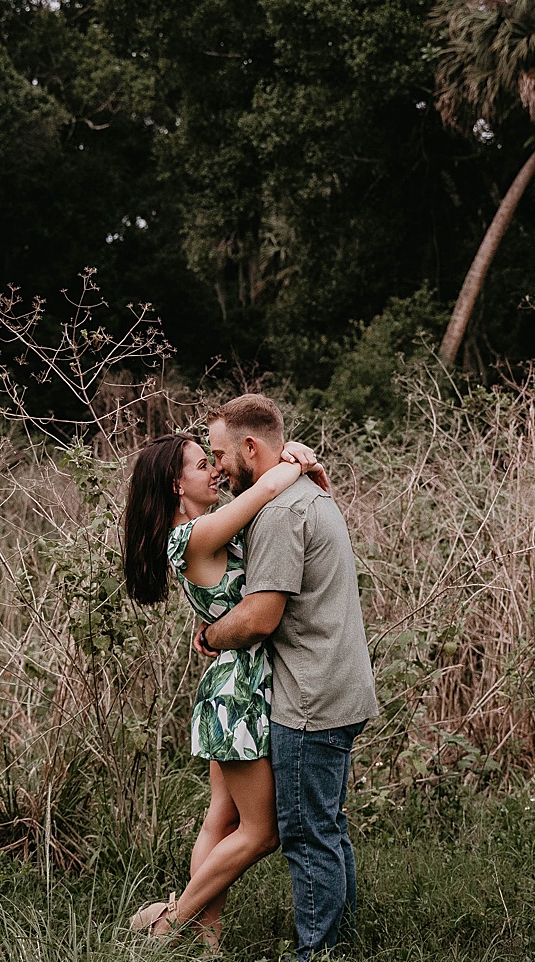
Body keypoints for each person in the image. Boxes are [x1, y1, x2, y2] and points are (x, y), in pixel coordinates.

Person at [121, 429, 327, 947]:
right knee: (262, 833)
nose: (214, 471)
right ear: (175, 484)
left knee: (221, 817)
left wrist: (296, 463)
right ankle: (173, 923)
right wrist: (295, 458)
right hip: (237, 693)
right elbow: (262, 492)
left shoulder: (203, 529)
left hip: (230, 682)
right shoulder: (192, 536)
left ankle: (207, 944)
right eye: (200, 465)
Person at [197, 394, 380, 959]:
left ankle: (317, 954)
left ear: (252, 448)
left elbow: (259, 617)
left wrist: (209, 636)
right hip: (340, 687)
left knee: (306, 836)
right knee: (328, 827)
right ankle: (340, 946)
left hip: (309, 699)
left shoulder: (278, 513)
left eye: (221, 454)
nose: (218, 466)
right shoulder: (308, 492)